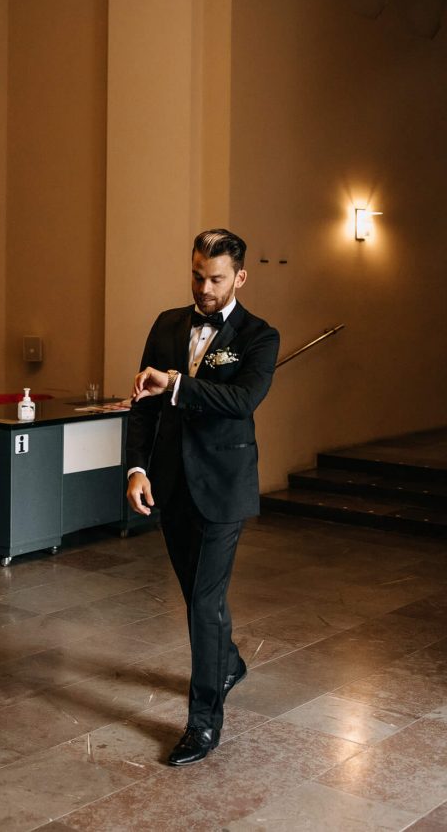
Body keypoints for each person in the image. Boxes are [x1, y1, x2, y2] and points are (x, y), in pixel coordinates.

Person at [125, 228, 279, 768]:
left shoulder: (260, 336)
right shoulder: (166, 324)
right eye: (197, 276)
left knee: (206, 605)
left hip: (224, 488)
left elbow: (241, 400)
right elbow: (142, 405)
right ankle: (228, 662)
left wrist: (175, 383)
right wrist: (137, 468)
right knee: (197, 597)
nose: (204, 288)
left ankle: (204, 723)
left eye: (215, 279)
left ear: (240, 277)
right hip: (171, 485)